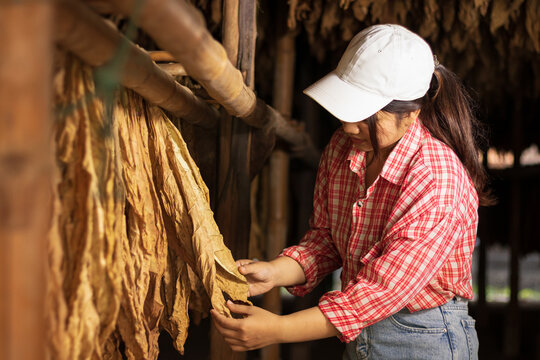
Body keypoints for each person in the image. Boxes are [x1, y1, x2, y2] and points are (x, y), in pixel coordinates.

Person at [211, 24, 491, 359]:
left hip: (424, 336)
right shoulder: (344, 147)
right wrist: (274, 271)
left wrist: (278, 329)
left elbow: (380, 292)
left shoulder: (437, 179)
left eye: (364, 114)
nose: (347, 125)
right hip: (359, 330)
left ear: (411, 113)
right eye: (345, 109)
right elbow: (327, 239)